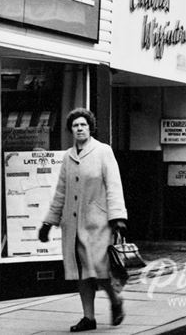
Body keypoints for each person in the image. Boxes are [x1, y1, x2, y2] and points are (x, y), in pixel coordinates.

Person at [41, 109, 128, 332]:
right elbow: (61, 192)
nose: (79, 129)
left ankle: (115, 301)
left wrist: (117, 217)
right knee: (81, 273)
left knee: (100, 270)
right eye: (75, 126)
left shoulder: (103, 151)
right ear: (71, 130)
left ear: (90, 128)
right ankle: (88, 317)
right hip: (73, 226)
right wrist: (49, 222)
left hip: (98, 224)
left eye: (83, 125)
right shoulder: (68, 157)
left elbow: (114, 185)